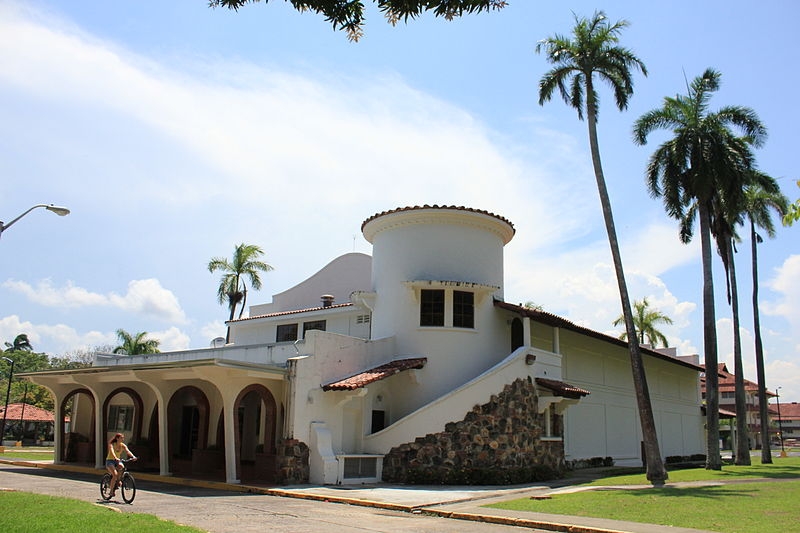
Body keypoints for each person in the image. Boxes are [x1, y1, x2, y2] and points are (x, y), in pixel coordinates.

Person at [106, 433, 136, 498]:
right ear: (117, 438)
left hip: (117, 461)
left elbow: (128, 451)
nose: (123, 439)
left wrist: (133, 456)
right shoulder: (112, 444)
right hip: (110, 461)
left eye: (123, 438)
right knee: (115, 474)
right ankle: (111, 491)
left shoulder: (122, 445)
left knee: (122, 467)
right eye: (121, 438)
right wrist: (115, 457)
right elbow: (112, 451)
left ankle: (118, 480)